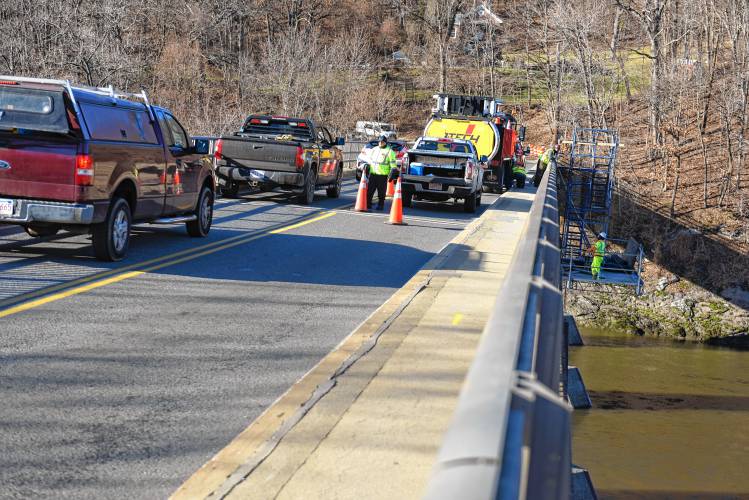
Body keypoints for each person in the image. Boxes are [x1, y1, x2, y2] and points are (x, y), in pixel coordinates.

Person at [366, 135, 397, 210]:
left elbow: (393, 165)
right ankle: (368, 204)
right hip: (373, 174)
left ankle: (380, 205)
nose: (380, 143)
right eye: (379, 142)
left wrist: (392, 173)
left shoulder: (390, 152)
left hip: (382, 176)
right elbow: (369, 160)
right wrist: (367, 167)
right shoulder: (374, 149)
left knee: (381, 192)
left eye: (382, 142)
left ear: (385, 142)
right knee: (370, 191)